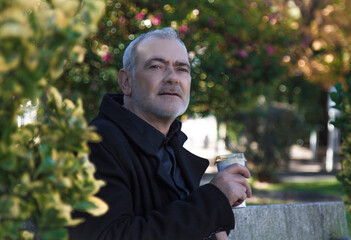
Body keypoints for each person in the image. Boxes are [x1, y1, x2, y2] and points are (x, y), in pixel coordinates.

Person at [69, 27, 251, 240]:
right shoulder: (95, 144)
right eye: (156, 66)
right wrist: (212, 201)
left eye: (182, 68)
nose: (173, 78)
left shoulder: (170, 146)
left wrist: (213, 224)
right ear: (126, 81)